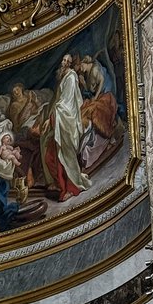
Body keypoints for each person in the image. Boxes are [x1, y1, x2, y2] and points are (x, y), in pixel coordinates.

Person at [42, 55, 91, 201]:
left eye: (67, 61)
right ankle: (59, 184)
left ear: (70, 64)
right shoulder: (63, 77)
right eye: (63, 60)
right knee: (50, 156)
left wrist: (51, 119)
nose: (64, 63)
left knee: (64, 158)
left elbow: (66, 103)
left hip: (66, 122)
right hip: (59, 122)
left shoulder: (70, 77)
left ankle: (69, 188)